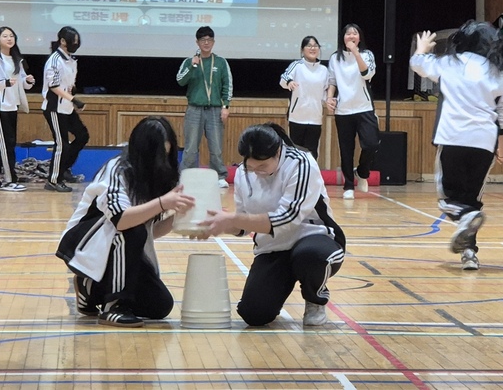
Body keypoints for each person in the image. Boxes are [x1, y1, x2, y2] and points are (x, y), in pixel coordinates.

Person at [197, 123, 346, 327]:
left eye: (262, 166)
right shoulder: (243, 173)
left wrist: (232, 219)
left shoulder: (301, 163)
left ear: (278, 153)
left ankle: (315, 298)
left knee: (311, 257)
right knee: (254, 314)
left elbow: (287, 218)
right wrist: (220, 223)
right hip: (273, 247)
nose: (256, 172)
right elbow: (243, 224)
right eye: (251, 167)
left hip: (313, 237)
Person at [56, 116, 194, 327]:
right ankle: (115, 305)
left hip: (120, 243)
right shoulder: (117, 170)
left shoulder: (157, 176)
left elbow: (151, 231)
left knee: (160, 306)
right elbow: (121, 221)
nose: (162, 162)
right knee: (132, 229)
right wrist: (163, 202)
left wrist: (181, 217)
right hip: (84, 242)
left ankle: (91, 290)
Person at [409, 21, 503, 271]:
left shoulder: (450, 63)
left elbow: (418, 65)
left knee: (449, 199)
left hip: (453, 138)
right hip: (484, 143)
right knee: (472, 200)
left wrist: (422, 48)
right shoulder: (497, 71)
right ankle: (469, 253)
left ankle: (466, 227)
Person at [326, 23, 379, 199]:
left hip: (364, 107)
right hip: (343, 109)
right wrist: (329, 98)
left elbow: (367, 74)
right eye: (348, 34)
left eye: (354, 33)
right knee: (346, 149)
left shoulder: (367, 54)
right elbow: (332, 81)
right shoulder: (335, 58)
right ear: (343, 37)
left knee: (371, 143)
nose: (351, 36)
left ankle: (362, 172)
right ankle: (348, 185)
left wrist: (355, 53)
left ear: (359, 38)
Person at [176, 26, 233, 187]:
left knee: (216, 146)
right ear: (197, 42)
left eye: (209, 40)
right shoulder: (189, 62)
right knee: (191, 146)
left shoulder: (221, 62)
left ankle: (219, 176)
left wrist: (225, 106)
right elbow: (180, 80)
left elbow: (227, 85)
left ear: (213, 42)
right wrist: (192, 66)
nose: (206, 43)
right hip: (194, 109)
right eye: (203, 40)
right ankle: (187, 175)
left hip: (215, 110)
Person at [0, 26, 35, 191]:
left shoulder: (16, 59)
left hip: (13, 104)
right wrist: (4, 83)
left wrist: (28, 81)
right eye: (5, 36)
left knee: (8, 142)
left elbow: (23, 83)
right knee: (7, 142)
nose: (9, 38)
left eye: (11, 35)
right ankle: (9, 180)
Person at [41, 26, 89, 192]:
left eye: (77, 41)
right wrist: (74, 99)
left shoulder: (70, 59)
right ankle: (53, 180)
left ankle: (64, 169)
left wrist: (72, 91)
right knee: (62, 144)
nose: (76, 44)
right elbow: (53, 86)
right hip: (54, 107)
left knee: (82, 135)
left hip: (66, 107)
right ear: (62, 41)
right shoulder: (54, 60)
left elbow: (68, 83)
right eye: (73, 41)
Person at [280, 36, 327, 159]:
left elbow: (325, 93)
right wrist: (289, 82)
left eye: (315, 45)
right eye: (309, 45)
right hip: (297, 117)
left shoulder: (324, 70)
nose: (313, 48)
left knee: (312, 153)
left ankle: (309, 176)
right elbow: (283, 78)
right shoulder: (297, 65)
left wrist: (330, 101)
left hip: (315, 118)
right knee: (295, 151)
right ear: (302, 50)